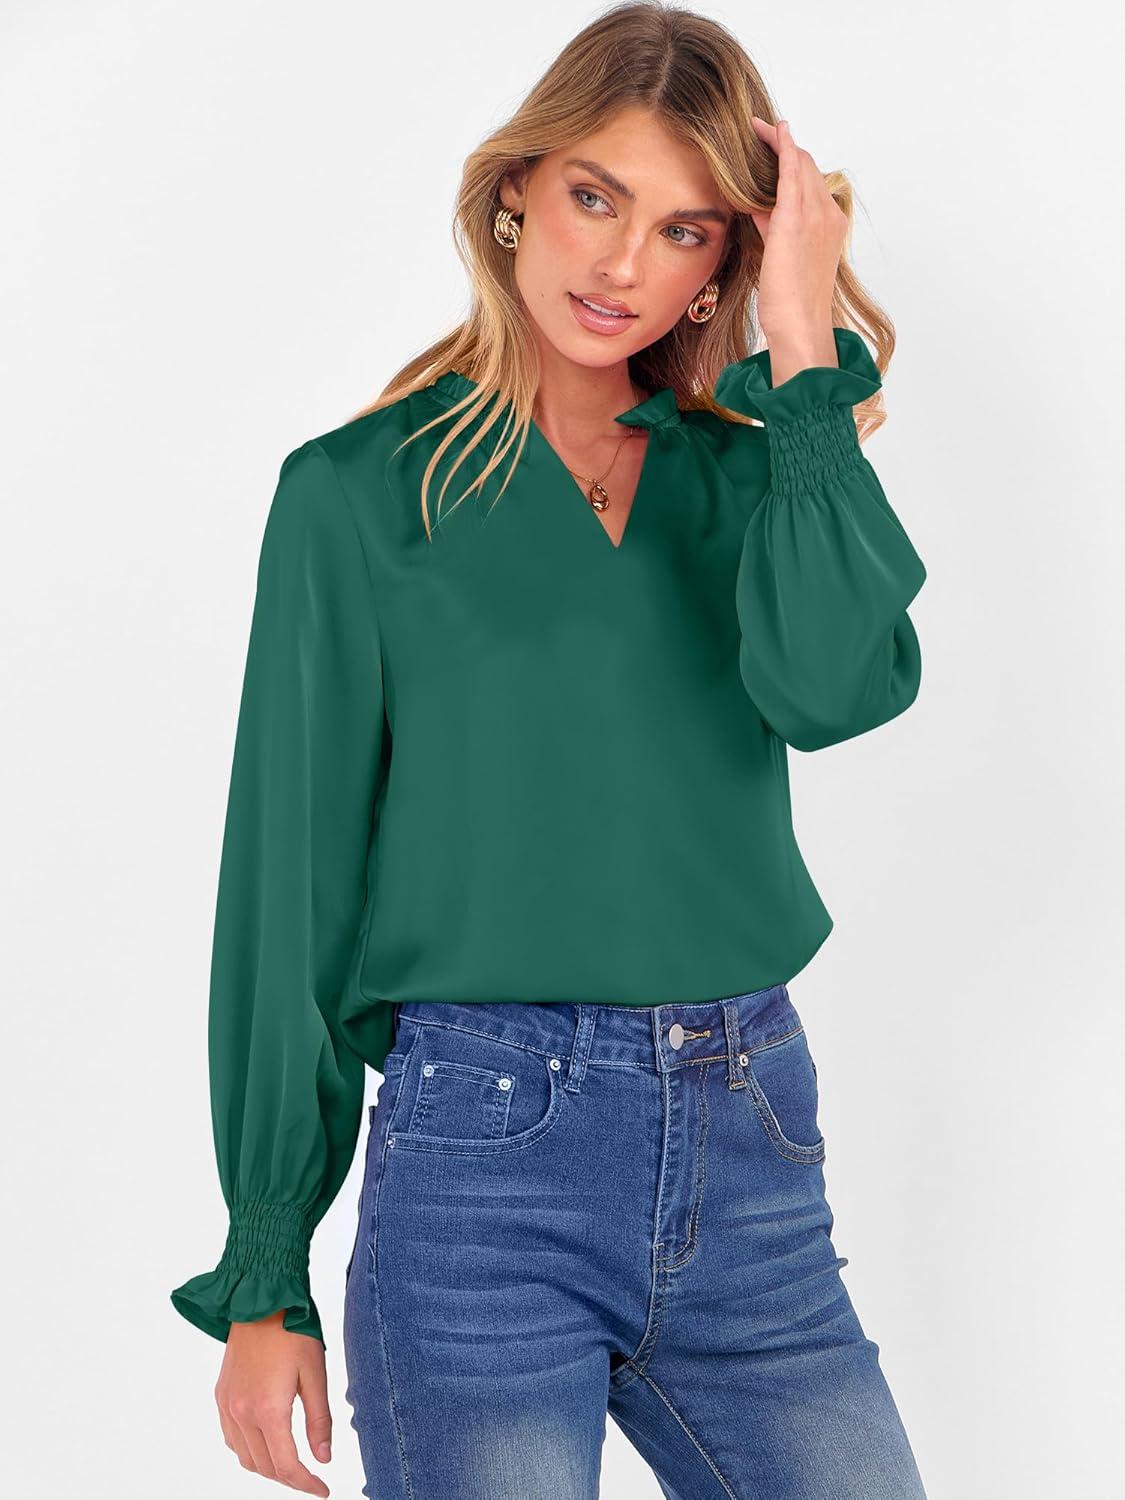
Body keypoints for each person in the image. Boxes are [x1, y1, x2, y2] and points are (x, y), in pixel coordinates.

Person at [170, 5, 930, 1495]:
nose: (624, 263)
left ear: (725, 258)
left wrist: (800, 344)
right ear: (517, 186)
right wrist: (266, 1268)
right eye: (596, 196)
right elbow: (289, 888)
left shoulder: (759, 482)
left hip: (751, 1146)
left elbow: (836, 690)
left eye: (685, 230)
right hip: (480, 1173)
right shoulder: (358, 497)